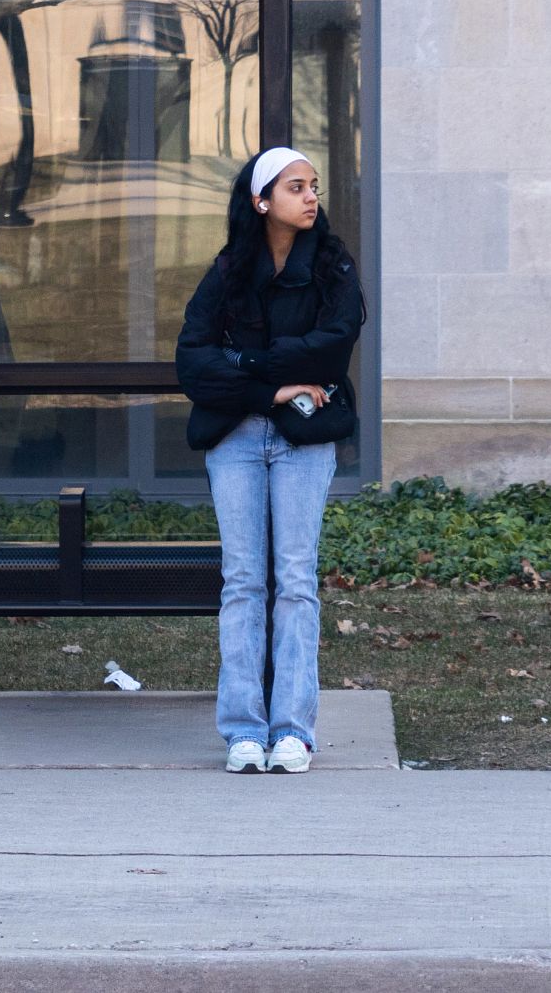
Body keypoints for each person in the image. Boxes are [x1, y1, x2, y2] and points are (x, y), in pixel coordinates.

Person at [177, 147, 364, 775]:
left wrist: (247, 367)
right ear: (262, 202)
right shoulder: (227, 272)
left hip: (303, 443)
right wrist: (272, 384)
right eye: (295, 187)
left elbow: (331, 352)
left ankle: (293, 731)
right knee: (243, 582)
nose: (311, 197)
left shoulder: (334, 269)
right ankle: (242, 733)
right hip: (235, 440)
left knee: (296, 580)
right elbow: (193, 363)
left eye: (314, 186)